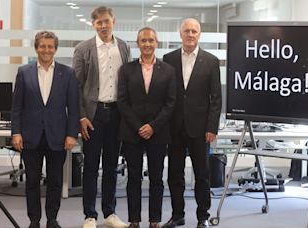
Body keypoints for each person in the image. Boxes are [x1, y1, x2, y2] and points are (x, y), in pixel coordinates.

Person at [11, 31, 79, 228]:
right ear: (36, 47)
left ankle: (52, 218)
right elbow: (17, 107)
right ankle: (34, 220)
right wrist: (16, 132)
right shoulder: (24, 72)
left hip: (57, 136)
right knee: (32, 181)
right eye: (42, 46)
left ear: (55, 49)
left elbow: (73, 108)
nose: (46, 50)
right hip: (30, 136)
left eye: (50, 46)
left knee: (55, 180)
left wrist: (71, 134)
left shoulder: (68, 73)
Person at [72, 6, 129, 228]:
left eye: (106, 21)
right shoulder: (83, 49)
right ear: (93, 25)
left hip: (116, 114)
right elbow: (75, 87)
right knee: (91, 167)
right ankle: (90, 215)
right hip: (93, 116)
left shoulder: (123, 47)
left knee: (112, 166)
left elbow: (127, 82)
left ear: (113, 21)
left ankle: (110, 213)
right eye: (99, 23)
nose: (104, 26)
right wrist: (81, 116)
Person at [162, 18, 222, 228]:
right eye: (187, 31)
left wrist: (212, 127)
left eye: (194, 31)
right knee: (174, 175)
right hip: (175, 128)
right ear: (180, 34)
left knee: (202, 175)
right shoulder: (168, 59)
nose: (190, 35)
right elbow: (165, 95)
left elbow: (216, 98)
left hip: (200, 129)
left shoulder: (211, 61)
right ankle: (177, 215)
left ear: (199, 35)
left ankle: (203, 216)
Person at [117, 27, 176, 228]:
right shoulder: (126, 70)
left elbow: (171, 103)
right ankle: (134, 219)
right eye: (143, 40)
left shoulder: (168, 70)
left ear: (156, 43)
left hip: (158, 133)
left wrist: (152, 126)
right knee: (133, 177)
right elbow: (122, 102)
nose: (147, 44)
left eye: (151, 40)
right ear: (138, 44)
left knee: (156, 178)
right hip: (132, 132)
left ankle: (154, 219)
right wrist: (139, 126)